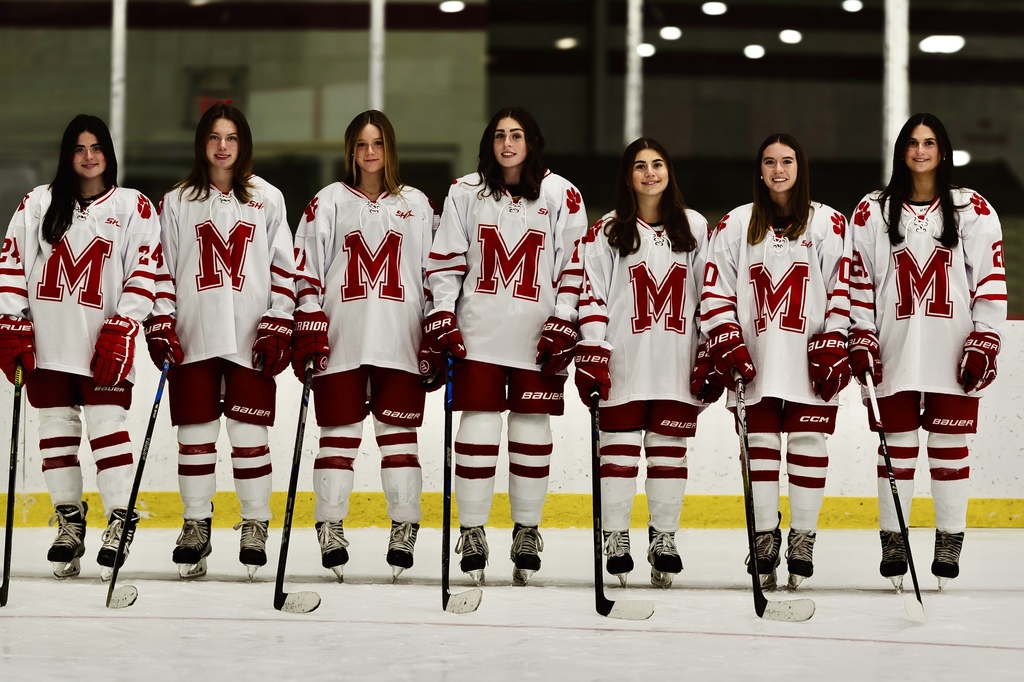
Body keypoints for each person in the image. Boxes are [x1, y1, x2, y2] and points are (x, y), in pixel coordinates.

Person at [419, 106, 588, 585]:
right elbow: (446, 260)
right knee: (479, 425)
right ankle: (472, 530)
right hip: (478, 334)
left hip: (538, 337)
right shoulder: (464, 191)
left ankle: (527, 530)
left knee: (531, 426)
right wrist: (442, 313)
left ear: (532, 142)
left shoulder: (563, 194)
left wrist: (564, 319)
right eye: (499, 136)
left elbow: (573, 268)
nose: (507, 144)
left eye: (516, 135)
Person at [0, 114, 163, 580]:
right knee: (56, 434)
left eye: (96, 148)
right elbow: (12, 260)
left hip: (103, 343)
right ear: (67, 155)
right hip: (50, 342)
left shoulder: (134, 206)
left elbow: (143, 270)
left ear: (109, 154)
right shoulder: (39, 202)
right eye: (79, 148)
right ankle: (69, 523)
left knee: (108, 430)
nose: (88, 157)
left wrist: (125, 322)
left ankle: (119, 521)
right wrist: (12, 321)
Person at [848, 113, 1005, 590]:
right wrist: (861, 335)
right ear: (901, 150)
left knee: (948, 446)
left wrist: (986, 337)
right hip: (893, 349)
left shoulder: (973, 207)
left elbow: (989, 281)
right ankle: (894, 541)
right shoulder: (871, 209)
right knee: (894, 447)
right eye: (913, 142)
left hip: (951, 348)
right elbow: (859, 281)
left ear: (943, 150)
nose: (920, 150)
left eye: (929, 142)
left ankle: (948, 539)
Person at [700, 133, 852, 590]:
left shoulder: (828, 222)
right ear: (759, 170)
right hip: (755, 359)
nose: (778, 170)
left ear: (800, 167)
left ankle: (802, 538)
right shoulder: (735, 224)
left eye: (787, 161)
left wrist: (834, 339)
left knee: (808, 443)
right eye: (770, 162)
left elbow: (844, 288)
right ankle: (764, 537)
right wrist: (726, 338)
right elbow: (716, 289)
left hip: (809, 360)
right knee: (759, 448)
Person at [150, 102, 295, 580]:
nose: (222, 146)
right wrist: (160, 321)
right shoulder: (175, 201)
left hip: (250, 338)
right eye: (214, 136)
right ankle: (196, 526)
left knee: (250, 438)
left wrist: (279, 320)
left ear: (243, 143)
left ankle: (254, 524)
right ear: (202, 143)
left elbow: (283, 268)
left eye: (231, 137)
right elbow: (163, 269)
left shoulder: (268, 198)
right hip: (193, 336)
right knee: (194, 440)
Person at [291, 110, 437, 581]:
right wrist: (309, 315)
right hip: (342, 339)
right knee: (337, 439)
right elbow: (306, 267)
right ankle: (330, 527)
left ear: (390, 148)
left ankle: (404, 527)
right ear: (350, 151)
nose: (370, 153)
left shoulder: (417, 204)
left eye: (378, 143)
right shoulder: (328, 201)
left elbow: (435, 273)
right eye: (361, 145)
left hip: (401, 339)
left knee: (400, 443)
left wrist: (435, 327)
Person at [574, 138, 716, 589]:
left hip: (674, 364)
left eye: (657, 165)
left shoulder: (693, 226)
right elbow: (591, 294)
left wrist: (708, 351)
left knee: (669, 457)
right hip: (624, 365)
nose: (650, 173)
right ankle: (616, 536)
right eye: (640, 166)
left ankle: (663, 539)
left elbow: (708, 297)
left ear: (669, 172)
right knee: (616, 457)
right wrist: (593, 351)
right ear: (628, 175)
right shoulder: (608, 230)